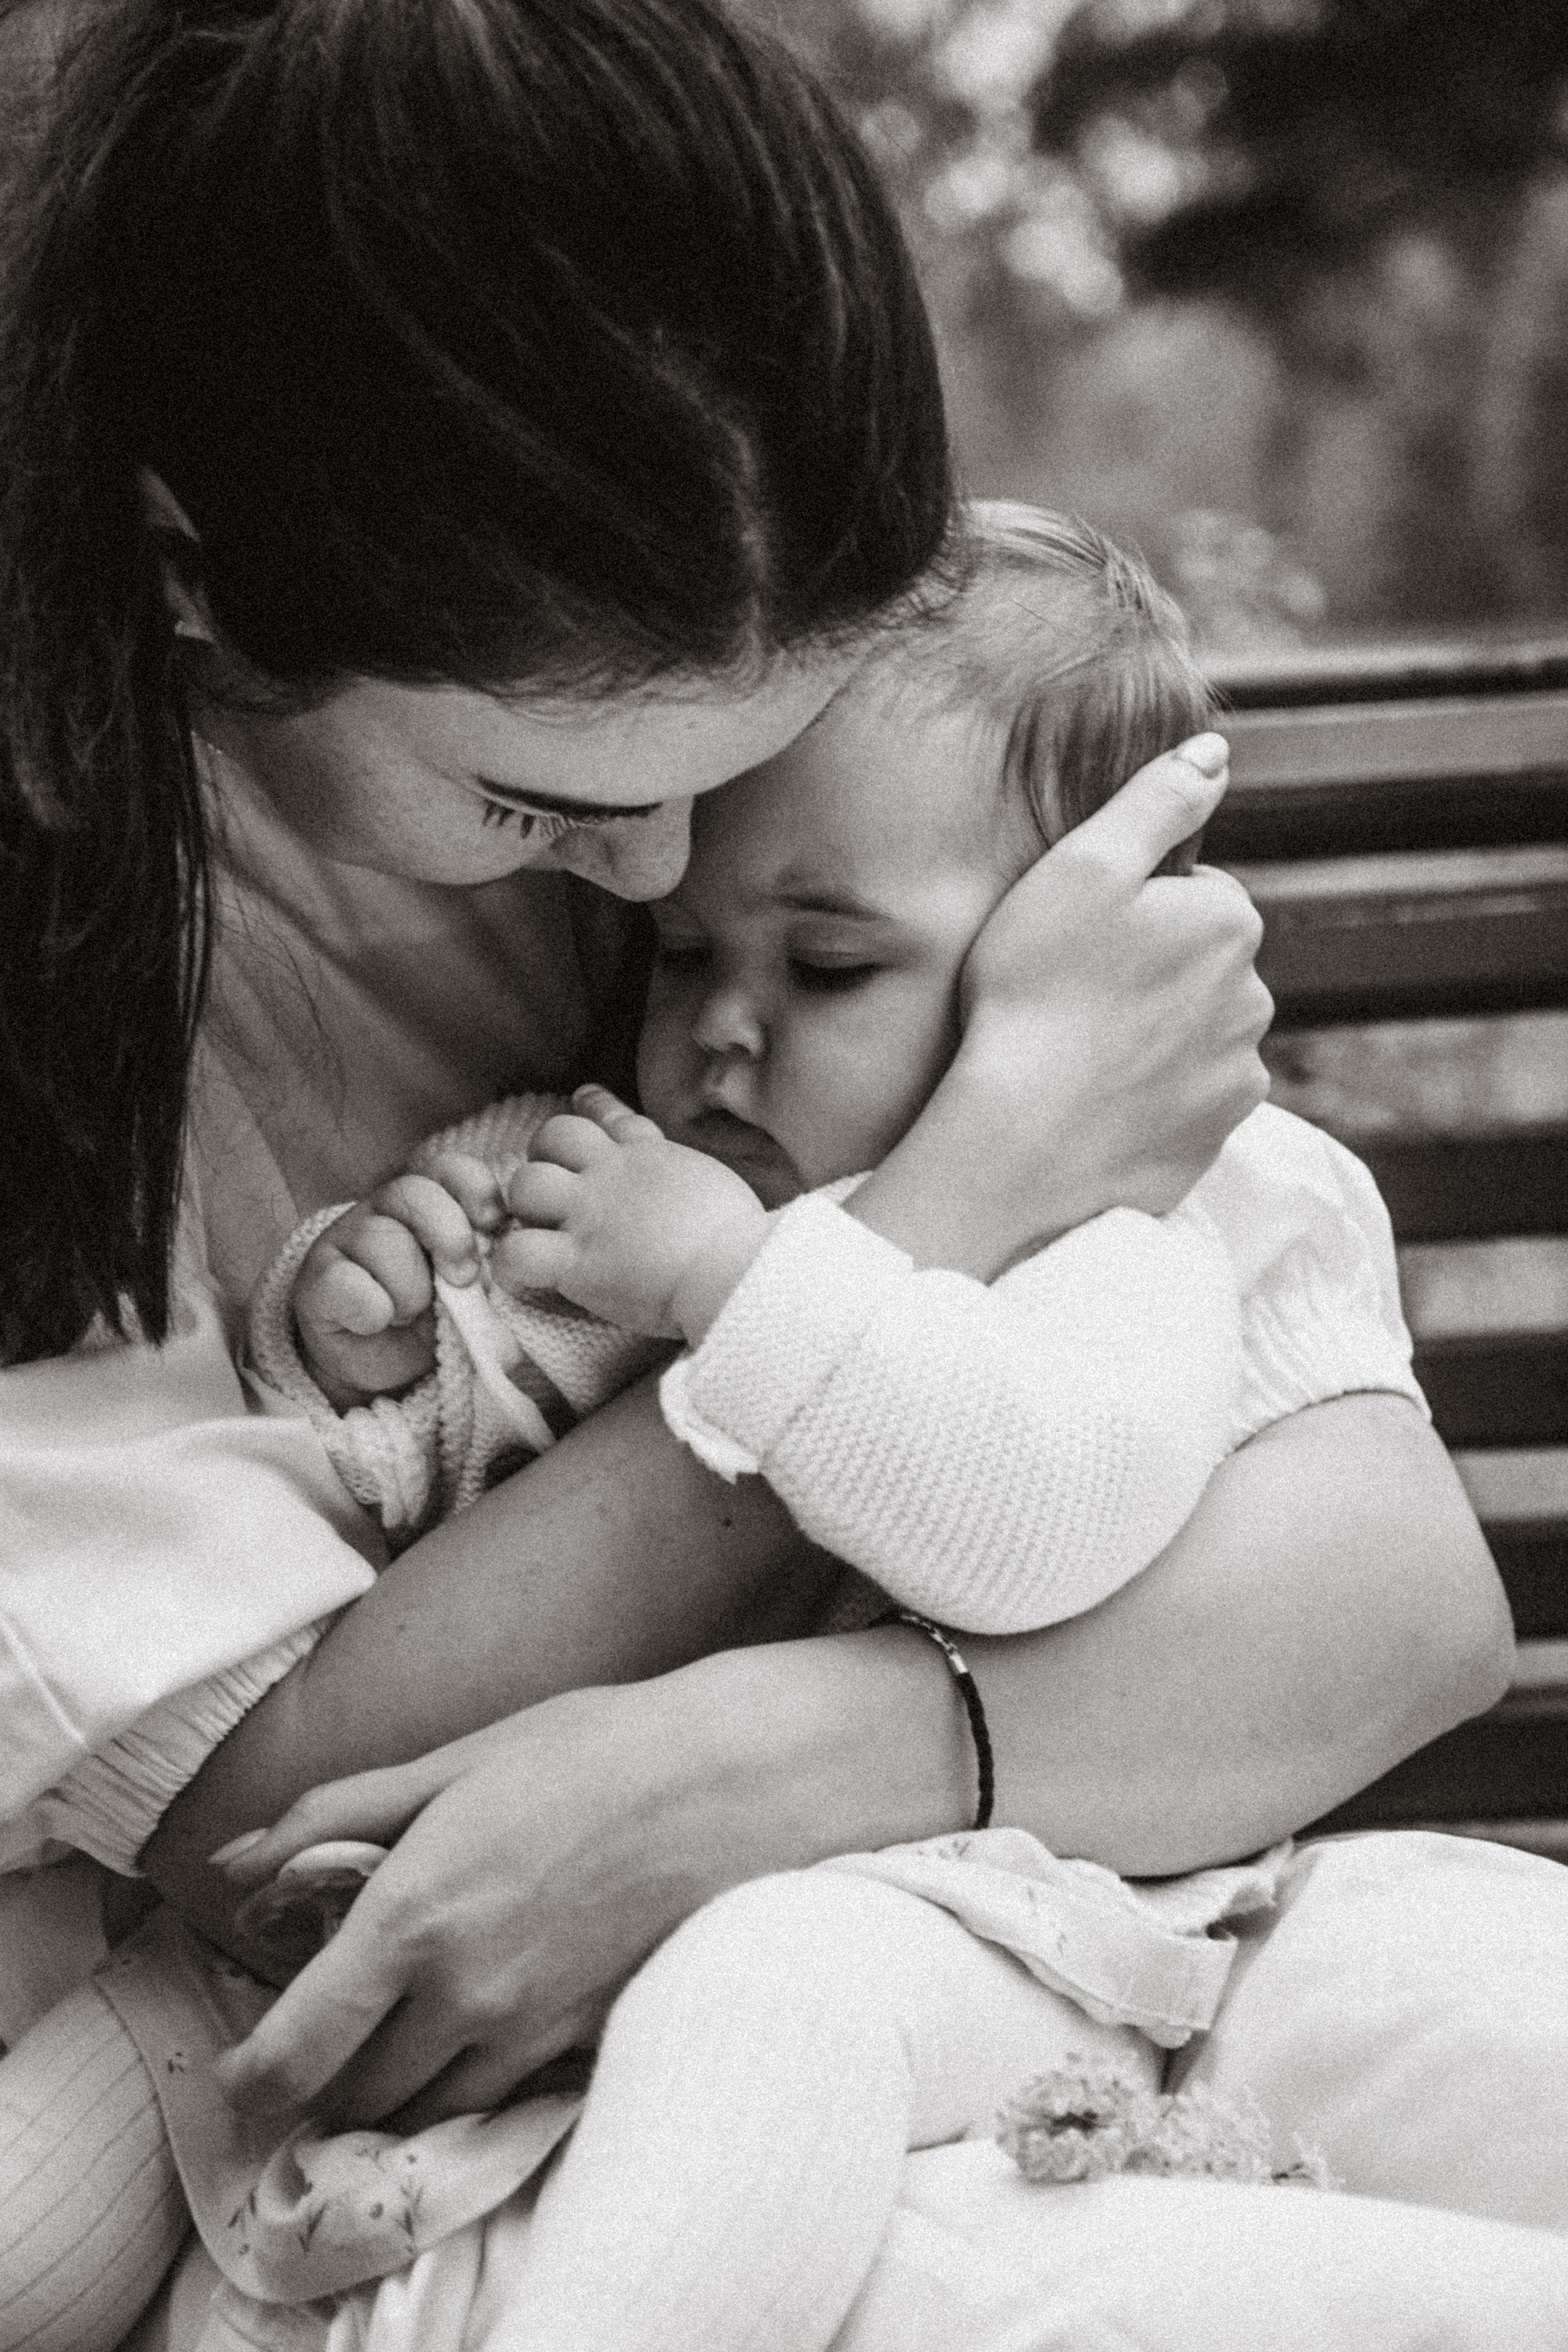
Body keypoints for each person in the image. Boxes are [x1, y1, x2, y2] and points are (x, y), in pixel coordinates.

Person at [0, 0, 1537, 2347]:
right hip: (437, 2135)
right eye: (542, 799)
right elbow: (266, 1824)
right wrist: (959, 1190)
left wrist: (759, 1759)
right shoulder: (90, 1009)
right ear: (192, 576)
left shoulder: (767, 813)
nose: (662, 887)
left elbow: (1391, 1598)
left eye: (737, 776)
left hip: (959, 1943)